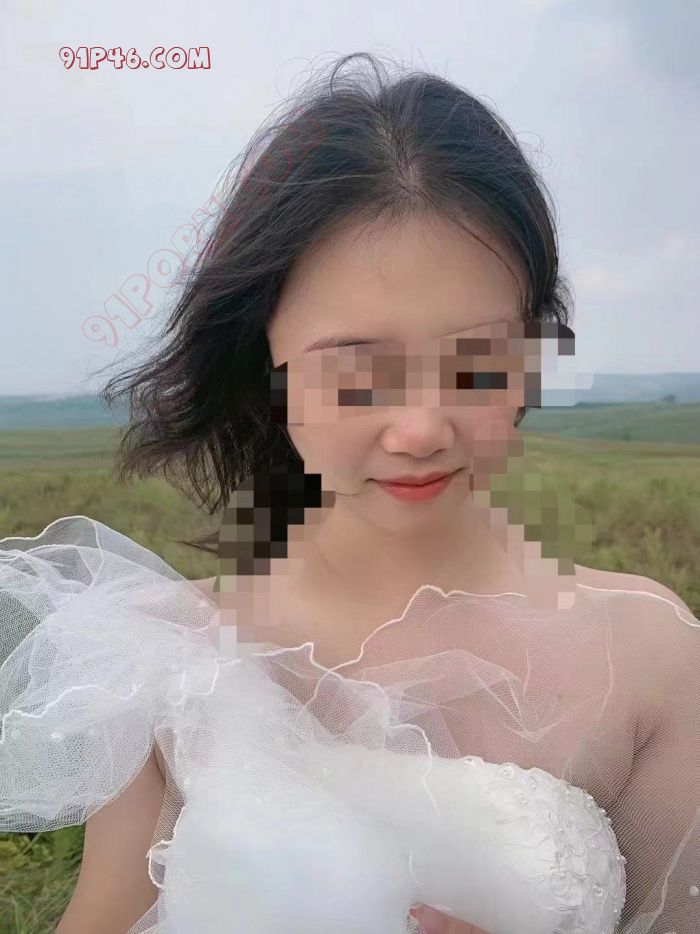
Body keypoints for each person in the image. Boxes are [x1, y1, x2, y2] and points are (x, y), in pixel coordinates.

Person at [1, 53, 698, 934]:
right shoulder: (164, 658)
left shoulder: (651, 661)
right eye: (357, 373)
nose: (421, 428)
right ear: (263, 362)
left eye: (479, 362)